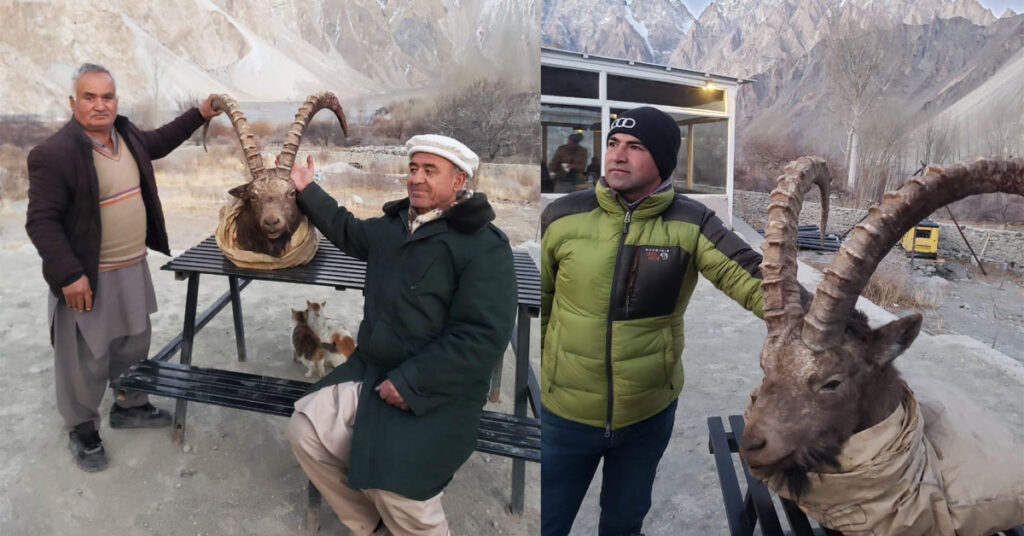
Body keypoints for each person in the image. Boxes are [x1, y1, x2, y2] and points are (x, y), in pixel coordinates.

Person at [539, 106, 765, 536]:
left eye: (635, 147)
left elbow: (757, 281)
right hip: (565, 413)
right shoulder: (563, 216)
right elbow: (547, 303)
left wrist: (839, 321)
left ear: (661, 159)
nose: (617, 156)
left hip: (646, 416)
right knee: (549, 521)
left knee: (624, 523)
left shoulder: (691, 222)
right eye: (612, 144)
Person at [285, 134, 517, 536]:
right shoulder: (394, 228)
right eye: (413, 169)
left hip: (439, 388)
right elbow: (348, 230)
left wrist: (412, 381)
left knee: (398, 485)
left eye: (431, 170)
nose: (417, 179)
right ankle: (370, 524)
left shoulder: (483, 246)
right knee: (305, 431)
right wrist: (307, 189)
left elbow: (481, 336)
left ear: (459, 180)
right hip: (371, 369)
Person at [25, 63, 221, 471]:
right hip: (87, 276)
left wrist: (200, 113)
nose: (100, 105)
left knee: (133, 342)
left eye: (107, 96)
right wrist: (68, 275)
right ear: (73, 102)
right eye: (89, 97)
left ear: (117, 101)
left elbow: (163, 140)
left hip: (132, 266)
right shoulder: (55, 153)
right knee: (84, 358)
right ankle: (82, 429)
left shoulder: (127, 136)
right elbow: (40, 221)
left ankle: (130, 404)